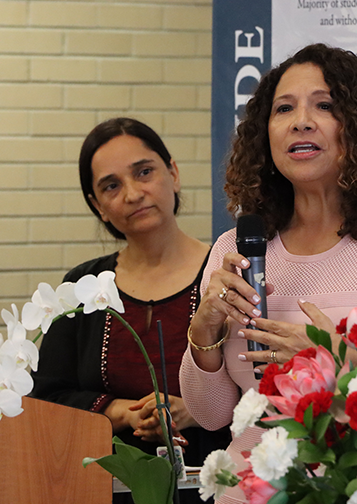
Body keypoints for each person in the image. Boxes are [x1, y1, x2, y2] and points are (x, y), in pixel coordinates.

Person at [179, 44, 357, 503]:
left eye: (325, 105)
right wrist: (203, 333)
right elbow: (210, 415)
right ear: (264, 135)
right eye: (284, 108)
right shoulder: (235, 249)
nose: (301, 121)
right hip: (251, 490)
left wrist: (336, 362)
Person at [31, 117, 231, 504]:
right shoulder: (82, 288)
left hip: (219, 488)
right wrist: (123, 412)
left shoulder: (223, 275)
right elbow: (46, 398)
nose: (133, 193)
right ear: (98, 206)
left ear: (172, 173)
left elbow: (265, 389)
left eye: (144, 172)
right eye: (111, 185)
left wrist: (199, 407)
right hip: (105, 492)